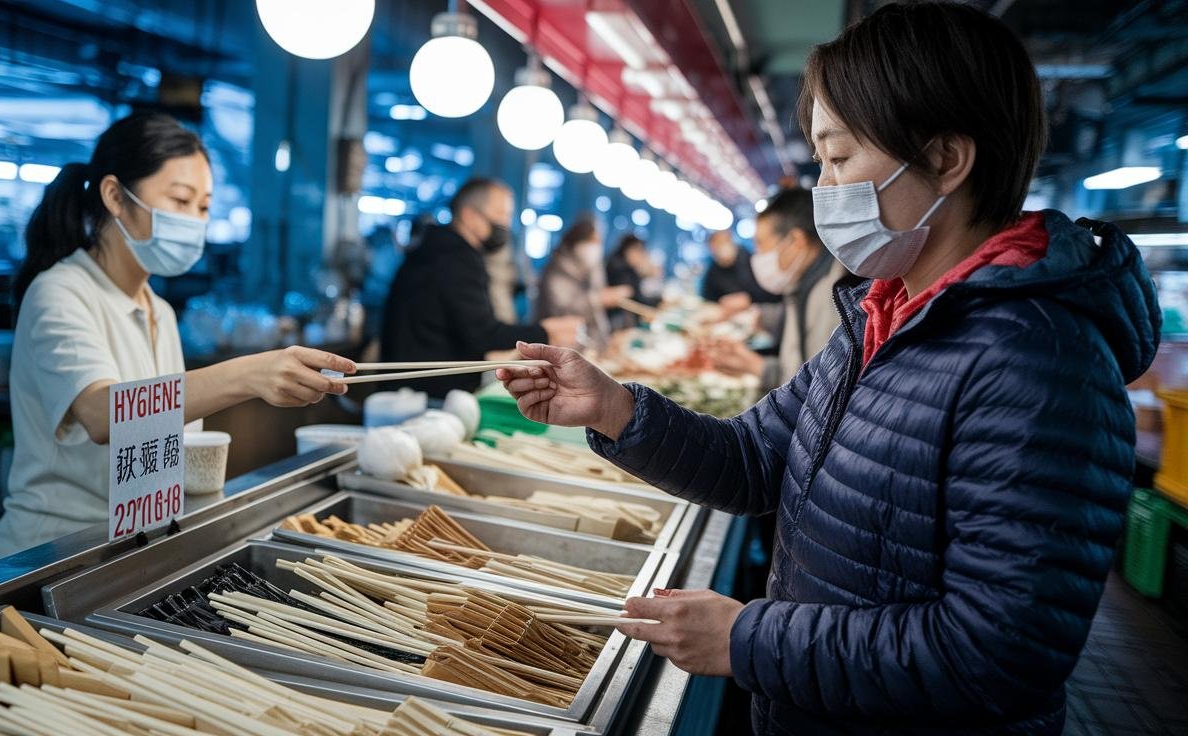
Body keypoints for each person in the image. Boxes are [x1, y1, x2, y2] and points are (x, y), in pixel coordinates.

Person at [495, 3, 1160, 733]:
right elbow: (753, 461)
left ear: (945, 158)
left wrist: (751, 639)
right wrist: (613, 407)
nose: (825, 189)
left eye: (840, 158)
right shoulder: (884, 317)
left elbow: (999, 654)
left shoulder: (1038, 364)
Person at [0, 113, 355, 564]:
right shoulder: (59, 293)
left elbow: (162, 431)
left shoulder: (157, 308)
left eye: (203, 207)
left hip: (123, 551)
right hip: (50, 556)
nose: (196, 221)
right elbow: (104, 416)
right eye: (181, 200)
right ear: (116, 197)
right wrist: (250, 375)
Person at [380, 178, 580, 397]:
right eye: (500, 214)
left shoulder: (437, 247)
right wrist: (546, 332)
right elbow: (483, 334)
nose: (505, 223)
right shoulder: (456, 258)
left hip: (412, 387)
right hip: (426, 394)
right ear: (469, 215)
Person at [708, 189, 847, 387]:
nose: (758, 256)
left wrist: (759, 367)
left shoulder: (832, 296)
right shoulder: (802, 286)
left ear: (797, 242)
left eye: (761, 244)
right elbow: (801, 363)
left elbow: (820, 390)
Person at [536, 218, 633, 348]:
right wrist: (598, 300)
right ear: (577, 241)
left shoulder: (591, 269)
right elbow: (563, 310)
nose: (596, 247)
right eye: (592, 241)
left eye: (599, 242)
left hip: (585, 346)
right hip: (555, 345)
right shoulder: (556, 270)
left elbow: (597, 314)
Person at [605, 233, 662, 330]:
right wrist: (659, 301)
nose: (642, 256)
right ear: (630, 250)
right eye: (640, 252)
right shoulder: (618, 267)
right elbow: (635, 297)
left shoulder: (623, 265)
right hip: (613, 319)